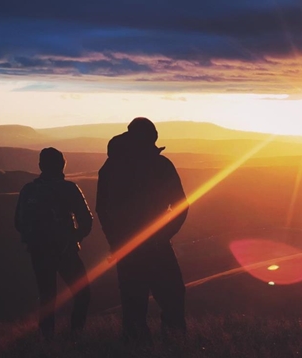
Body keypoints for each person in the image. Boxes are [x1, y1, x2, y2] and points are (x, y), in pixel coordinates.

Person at [96, 117, 188, 340]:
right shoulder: (161, 165)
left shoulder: (111, 166)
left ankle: (134, 355)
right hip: (157, 245)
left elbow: (102, 209)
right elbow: (180, 205)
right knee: (172, 297)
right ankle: (174, 348)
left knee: (133, 303)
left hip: (127, 247)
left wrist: (115, 241)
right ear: (152, 137)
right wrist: (165, 234)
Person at [14, 147, 93, 339]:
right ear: (62, 165)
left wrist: (34, 240)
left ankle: (46, 338)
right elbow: (86, 221)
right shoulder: (69, 188)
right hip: (66, 251)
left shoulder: (28, 190)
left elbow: (18, 222)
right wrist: (74, 238)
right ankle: (76, 336)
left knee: (47, 296)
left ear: (41, 165)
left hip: (38, 251)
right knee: (83, 294)